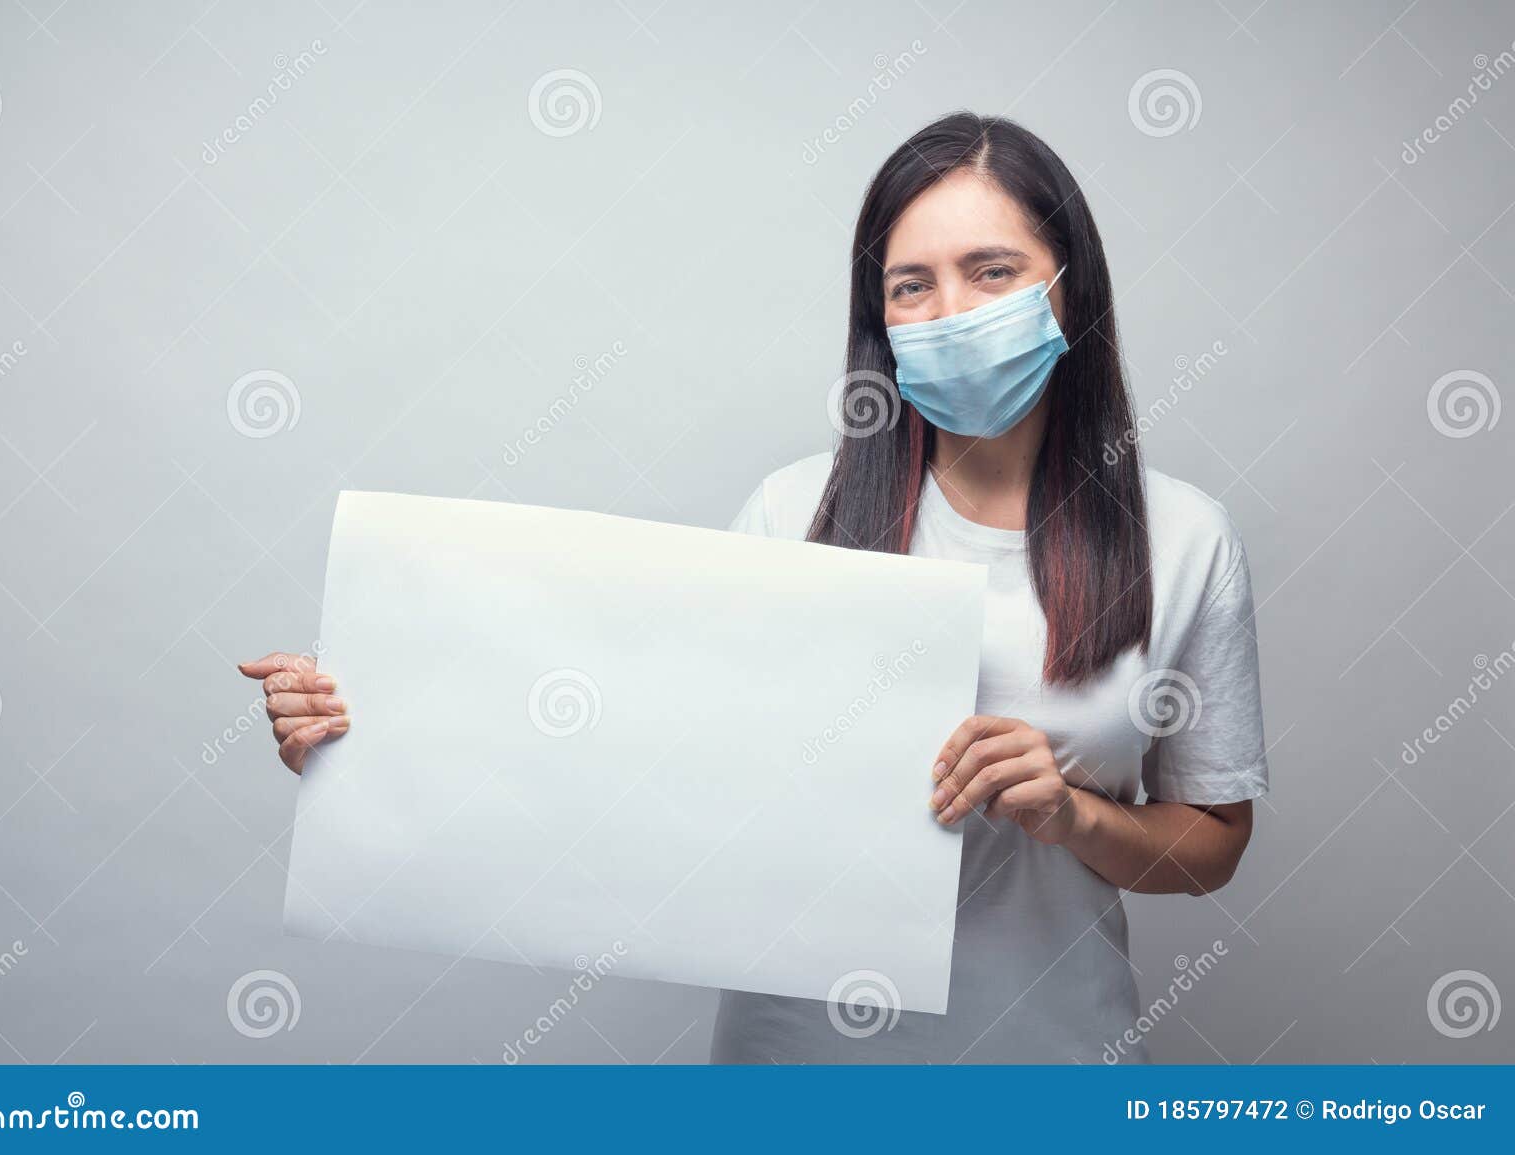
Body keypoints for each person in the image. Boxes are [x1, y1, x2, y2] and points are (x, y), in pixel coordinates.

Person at [239, 111, 1268, 1064]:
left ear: (1068, 288)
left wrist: (1076, 818)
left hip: (1047, 1058)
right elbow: (636, 760)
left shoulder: (1181, 539)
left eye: (990, 271)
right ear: (880, 314)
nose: (948, 312)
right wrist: (370, 737)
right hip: (793, 1075)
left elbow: (1212, 844)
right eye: (912, 285)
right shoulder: (792, 516)